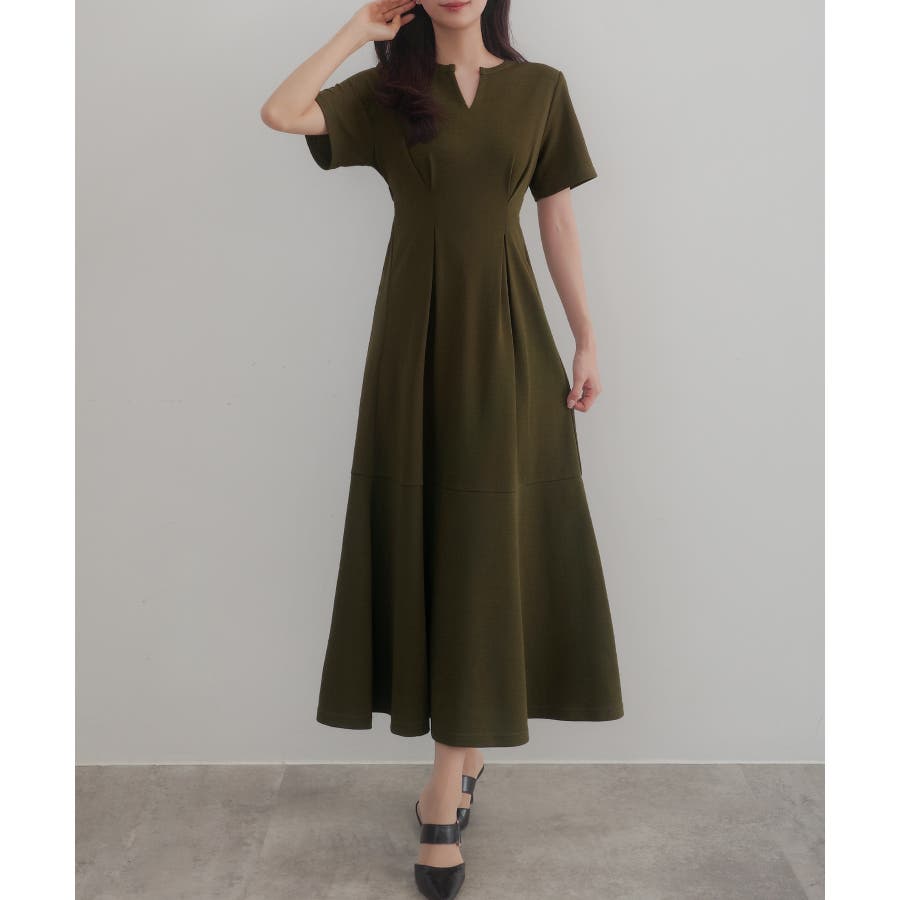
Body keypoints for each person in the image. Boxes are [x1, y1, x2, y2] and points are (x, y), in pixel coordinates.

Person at [261, 2, 624, 897]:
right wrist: (359, 32)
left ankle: (444, 781)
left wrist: (585, 336)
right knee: (432, 531)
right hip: (413, 340)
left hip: (507, 334)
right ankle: (459, 761)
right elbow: (281, 111)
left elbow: (558, 220)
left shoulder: (541, 91)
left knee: (483, 542)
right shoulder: (391, 91)